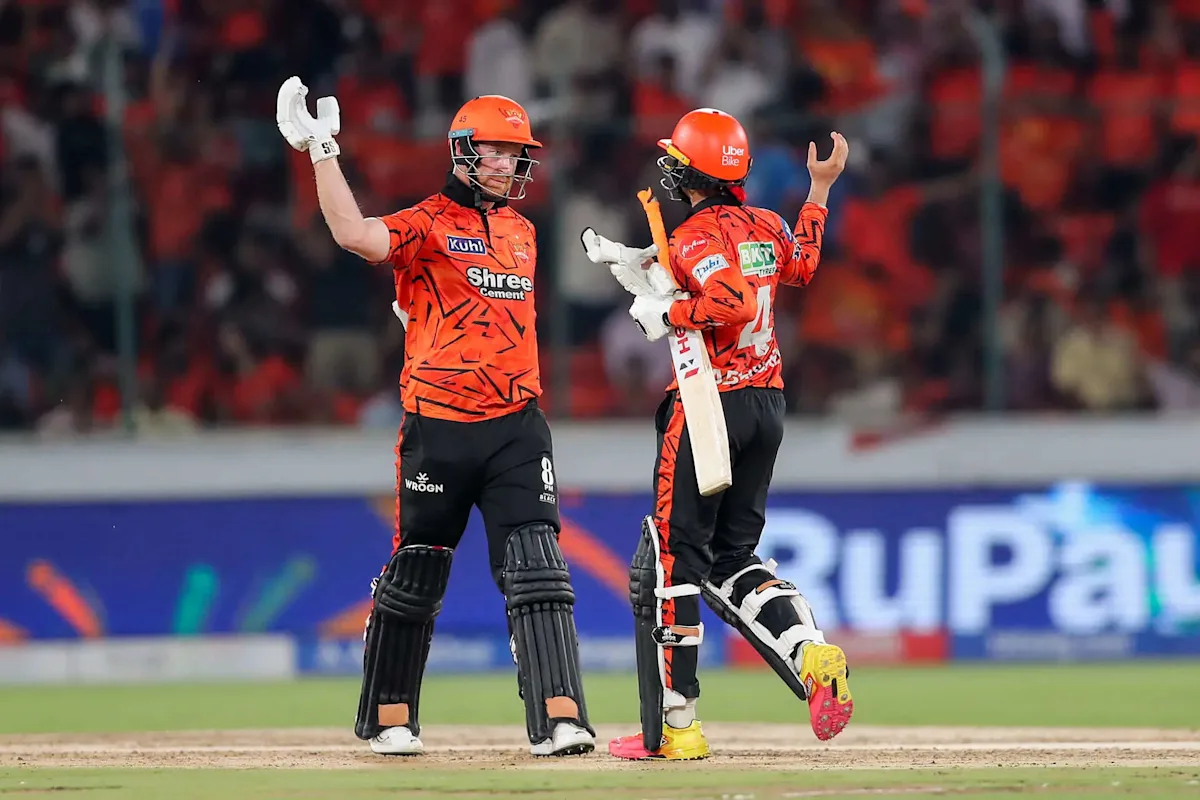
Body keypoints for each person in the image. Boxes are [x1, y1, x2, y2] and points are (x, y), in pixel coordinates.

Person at [275, 77, 595, 758]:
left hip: (517, 426)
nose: (508, 164)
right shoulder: (426, 223)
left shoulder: (523, 232)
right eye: (495, 151)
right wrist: (322, 152)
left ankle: (559, 716)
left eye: (516, 153)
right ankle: (390, 717)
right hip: (439, 428)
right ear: (463, 151)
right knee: (418, 570)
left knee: (538, 569)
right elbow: (356, 236)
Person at [582, 108, 852, 760]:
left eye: (676, 162)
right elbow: (803, 264)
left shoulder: (696, 234)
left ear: (689, 173)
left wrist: (669, 310)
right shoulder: (767, 223)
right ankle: (810, 653)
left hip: (708, 404)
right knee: (733, 559)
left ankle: (679, 726)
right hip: (767, 402)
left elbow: (729, 300)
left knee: (676, 561)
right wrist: (819, 189)